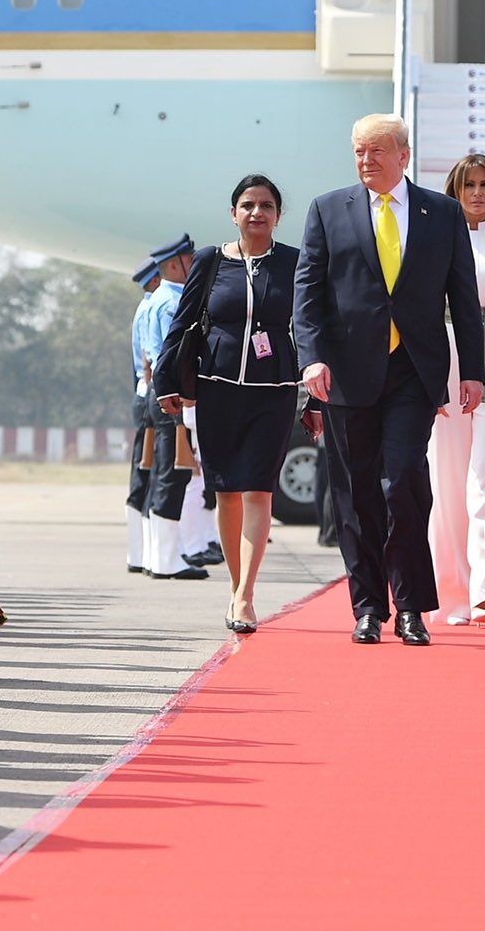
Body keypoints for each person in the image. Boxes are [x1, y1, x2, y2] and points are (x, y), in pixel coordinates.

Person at [293, 114, 484, 646]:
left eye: (376, 151)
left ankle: (412, 608)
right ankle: (369, 606)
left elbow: (463, 298)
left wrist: (472, 371)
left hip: (413, 369)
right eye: (358, 152)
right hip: (346, 374)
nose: (366, 161)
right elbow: (306, 295)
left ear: (403, 154)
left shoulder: (441, 213)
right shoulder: (329, 210)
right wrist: (310, 358)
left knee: (402, 482)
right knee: (355, 493)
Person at [156, 175, 302, 634]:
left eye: (266, 205)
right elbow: (182, 324)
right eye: (247, 204)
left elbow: (312, 327)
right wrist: (166, 381)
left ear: (278, 215)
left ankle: (245, 596)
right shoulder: (210, 262)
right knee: (226, 491)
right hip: (217, 389)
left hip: (274, 391)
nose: (256, 212)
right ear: (233, 212)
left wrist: (316, 394)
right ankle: (236, 587)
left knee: (259, 488)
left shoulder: (296, 264)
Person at [422, 153, 485, 625]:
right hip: (445, 362)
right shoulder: (431, 242)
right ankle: (453, 595)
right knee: (445, 482)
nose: (478, 193)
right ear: (455, 191)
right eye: (468, 185)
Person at [129, 234, 208, 580]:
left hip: (158, 394)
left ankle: (156, 556)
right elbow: (171, 356)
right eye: (190, 259)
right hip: (171, 396)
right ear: (175, 265)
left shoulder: (158, 299)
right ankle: (165, 559)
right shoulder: (172, 302)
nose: (194, 264)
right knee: (171, 474)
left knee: (161, 471)